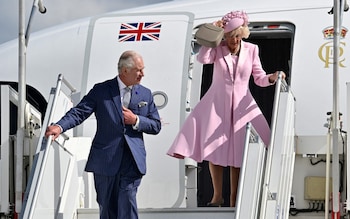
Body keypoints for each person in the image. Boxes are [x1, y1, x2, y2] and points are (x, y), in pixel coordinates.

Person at [167, 11, 285, 207]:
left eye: (237, 36)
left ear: (243, 34)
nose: (233, 41)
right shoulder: (217, 48)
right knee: (216, 150)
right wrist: (214, 32)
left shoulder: (252, 49)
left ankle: (234, 198)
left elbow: (259, 78)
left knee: (239, 152)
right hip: (217, 104)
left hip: (242, 105)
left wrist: (272, 78)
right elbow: (202, 59)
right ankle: (217, 196)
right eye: (230, 37)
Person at [45, 50, 161, 218]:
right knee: (107, 209)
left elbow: (156, 125)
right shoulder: (101, 90)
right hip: (106, 159)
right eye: (139, 69)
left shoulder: (145, 94)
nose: (143, 74)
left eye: (143, 69)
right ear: (125, 70)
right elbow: (79, 112)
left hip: (132, 161)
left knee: (128, 204)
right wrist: (59, 127)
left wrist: (136, 120)